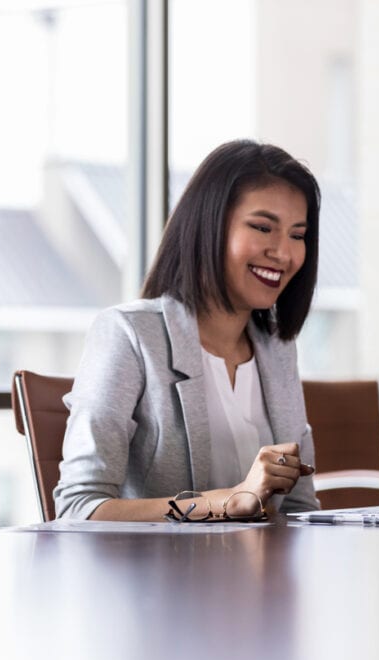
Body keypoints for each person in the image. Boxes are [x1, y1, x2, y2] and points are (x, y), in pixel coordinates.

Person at [54, 140, 321, 521]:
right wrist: (227, 502)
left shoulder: (278, 349)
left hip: (263, 577)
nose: (283, 253)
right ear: (209, 226)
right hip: (161, 577)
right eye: (263, 227)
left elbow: (298, 508)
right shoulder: (128, 335)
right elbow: (78, 510)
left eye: (297, 235)